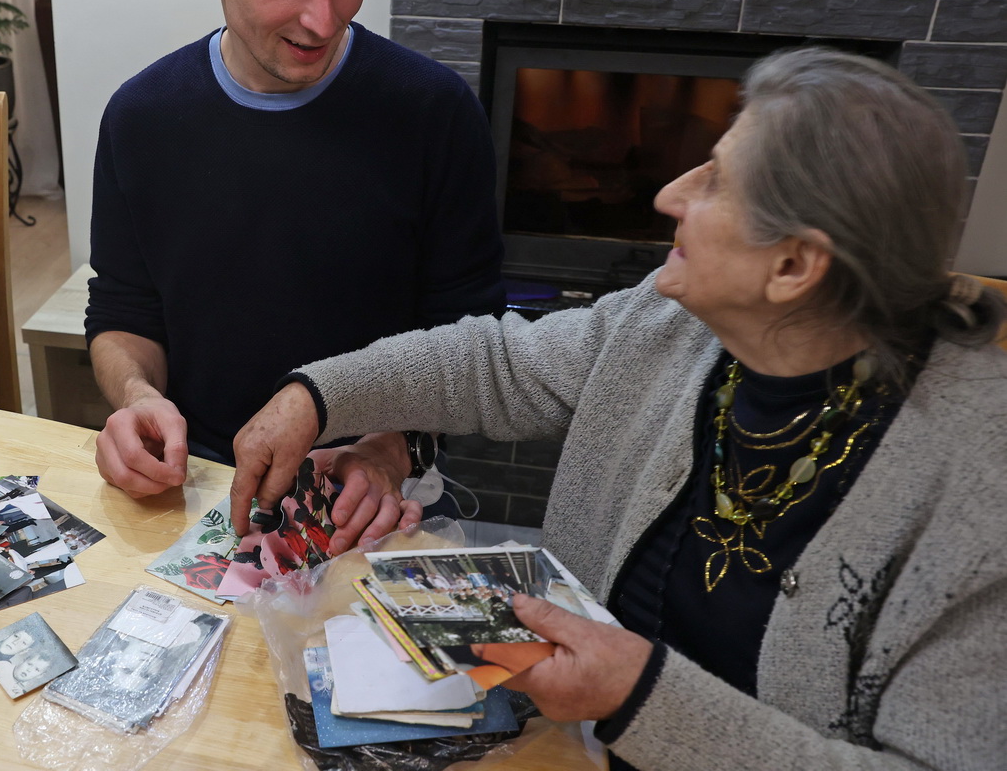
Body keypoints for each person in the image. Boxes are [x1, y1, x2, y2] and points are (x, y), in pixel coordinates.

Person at [229, 47, 1007, 770]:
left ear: (795, 265)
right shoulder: (672, 322)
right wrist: (316, 395)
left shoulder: (981, 502)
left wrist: (642, 698)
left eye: (714, 183)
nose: (669, 194)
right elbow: (500, 363)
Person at [85, 0, 504, 551]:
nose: (324, 15)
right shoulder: (141, 117)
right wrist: (136, 398)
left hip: (377, 489)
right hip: (201, 486)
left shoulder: (434, 113)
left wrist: (391, 448)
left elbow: (471, 344)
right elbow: (123, 312)